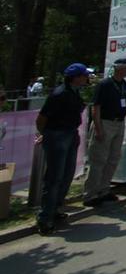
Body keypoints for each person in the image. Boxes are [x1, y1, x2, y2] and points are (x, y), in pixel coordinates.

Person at [35, 63, 90, 234]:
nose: (87, 78)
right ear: (75, 77)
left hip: (71, 133)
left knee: (67, 174)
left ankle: (56, 208)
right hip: (58, 135)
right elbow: (41, 118)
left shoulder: (75, 92)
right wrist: (46, 134)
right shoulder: (59, 94)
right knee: (54, 177)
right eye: (84, 75)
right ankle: (45, 218)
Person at [84, 57, 126, 206]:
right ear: (120, 68)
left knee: (113, 158)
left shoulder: (123, 84)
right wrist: (98, 129)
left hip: (119, 123)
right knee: (99, 159)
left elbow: (121, 98)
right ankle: (90, 194)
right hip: (105, 122)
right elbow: (96, 107)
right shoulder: (104, 84)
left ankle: (104, 189)